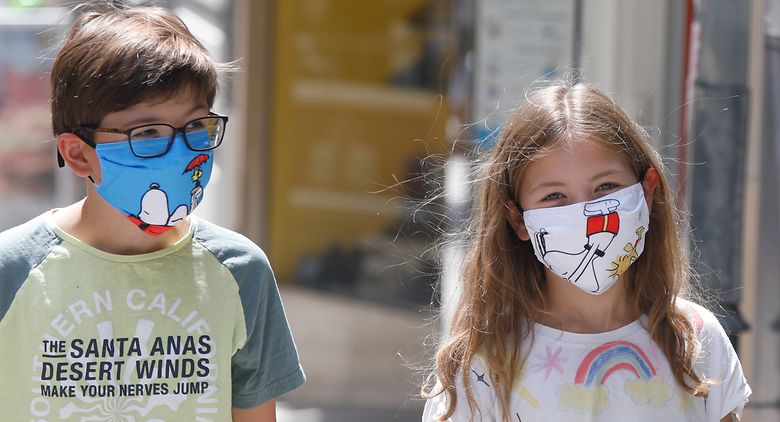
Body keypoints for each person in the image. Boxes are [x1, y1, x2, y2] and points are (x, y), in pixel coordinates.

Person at [0, 5, 304, 421]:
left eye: (195, 126)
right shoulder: (13, 269)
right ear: (79, 154)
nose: (179, 151)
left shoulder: (240, 271)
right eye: (146, 133)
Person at [422, 82, 750, 421]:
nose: (586, 213)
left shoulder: (695, 338)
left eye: (606, 187)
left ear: (646, 193)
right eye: (554, 196)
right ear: (518, 219)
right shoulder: (483, 364)